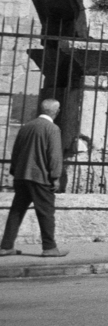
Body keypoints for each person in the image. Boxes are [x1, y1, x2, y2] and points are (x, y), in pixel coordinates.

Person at [1, 100, 68, 258]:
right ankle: (49, 247)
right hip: (40, 177)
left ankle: (5, 246)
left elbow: (16, 151)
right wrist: (55, 177)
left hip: (22, 175)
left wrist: (14, 171)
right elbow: (54, 156)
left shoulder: (26, 127)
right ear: (56, 112)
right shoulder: (52, 129)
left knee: (16, 211)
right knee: (46, 212)